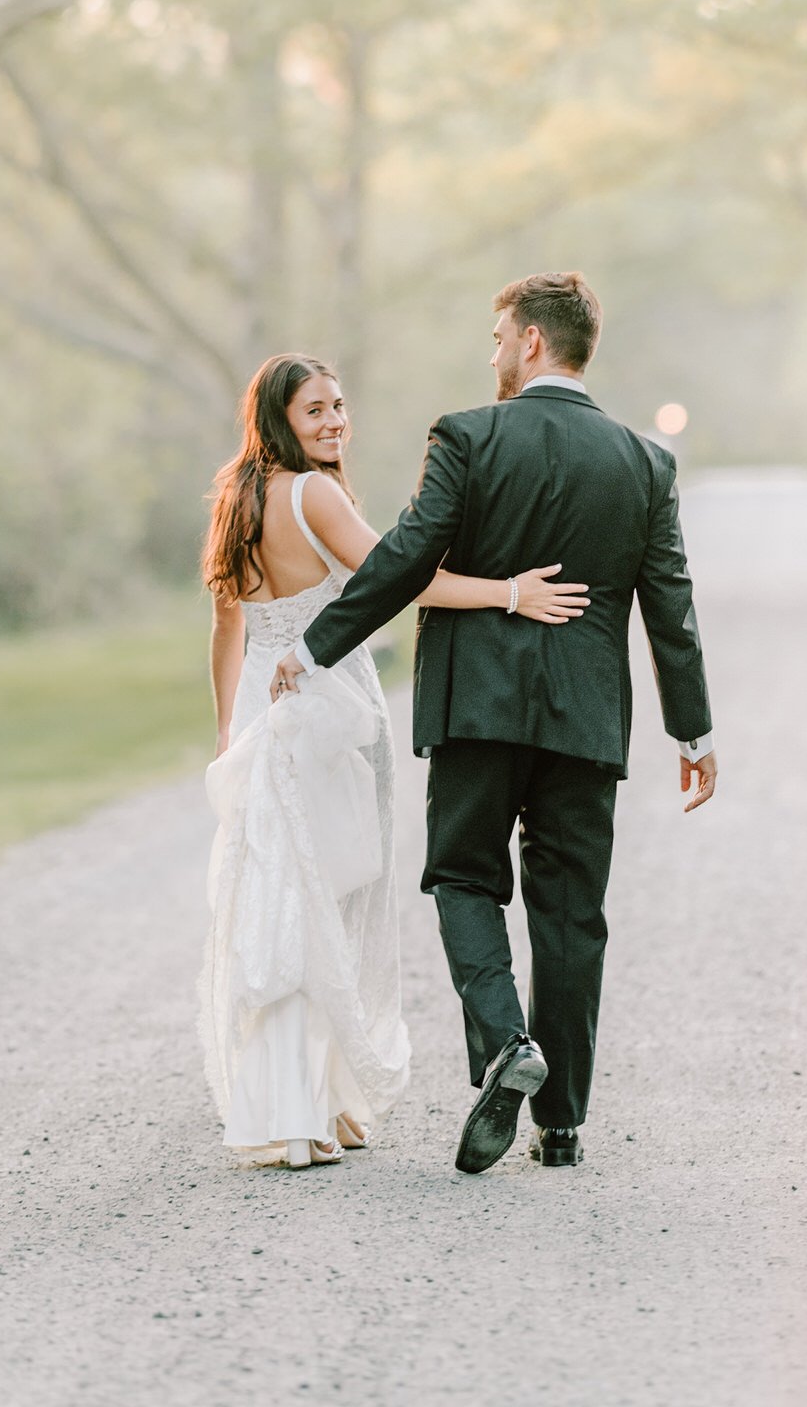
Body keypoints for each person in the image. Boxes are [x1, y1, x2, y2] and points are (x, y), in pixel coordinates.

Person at [273, 272, 714, 1175]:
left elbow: (405, 555)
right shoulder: (644, 462)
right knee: (569, 912)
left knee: (464, 878)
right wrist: (692, 731)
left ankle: (508, 1041)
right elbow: (670, 602)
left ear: (532, 344)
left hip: (476, 711)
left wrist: (316, 647)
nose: (493, 354)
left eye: (500, 337)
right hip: (586, 724)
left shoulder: (467, 436)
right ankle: (560, 1126)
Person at [198, 350, 590, 1171]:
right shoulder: (313, 494)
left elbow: (227, 629)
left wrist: (230, 734)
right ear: (279, 420)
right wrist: (510, 592)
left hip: (265, 719)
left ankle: (315, 1105)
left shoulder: (238, 498)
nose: (335, 421)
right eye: (315, 411)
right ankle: (315, 1107)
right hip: (329, 717)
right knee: (328, 903)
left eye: (339, 406)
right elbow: (403, 574)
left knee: (284, 903)